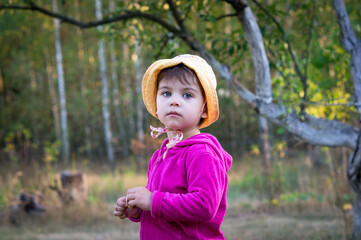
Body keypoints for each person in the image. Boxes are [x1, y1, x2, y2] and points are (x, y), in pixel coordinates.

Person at [114, 54, 232, 239]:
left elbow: (204, 205)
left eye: (187, 95)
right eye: (166, 93)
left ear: (204, 109)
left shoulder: (202, 153)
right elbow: (165, 206)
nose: (174, 101)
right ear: (156, 102)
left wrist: (153, 201)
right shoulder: (160, 155)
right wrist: (139, 210)